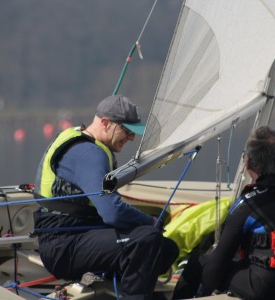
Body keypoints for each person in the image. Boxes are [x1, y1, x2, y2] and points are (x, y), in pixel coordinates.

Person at [33, 95, 179, 300]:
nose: (131, 138)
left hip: (77, 234)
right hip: (63, 245)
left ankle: (119, 285)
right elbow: (112, 212)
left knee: (167, 249)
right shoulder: (89, 154)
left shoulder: (81, 140)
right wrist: (150, 221)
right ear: (105, 123)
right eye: (127, 131)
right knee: (146, 239)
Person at [172, 126, 275, 300]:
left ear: (248, 163)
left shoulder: (249, 204)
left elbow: (213, 273)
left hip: (265, 289)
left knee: (197, 263)